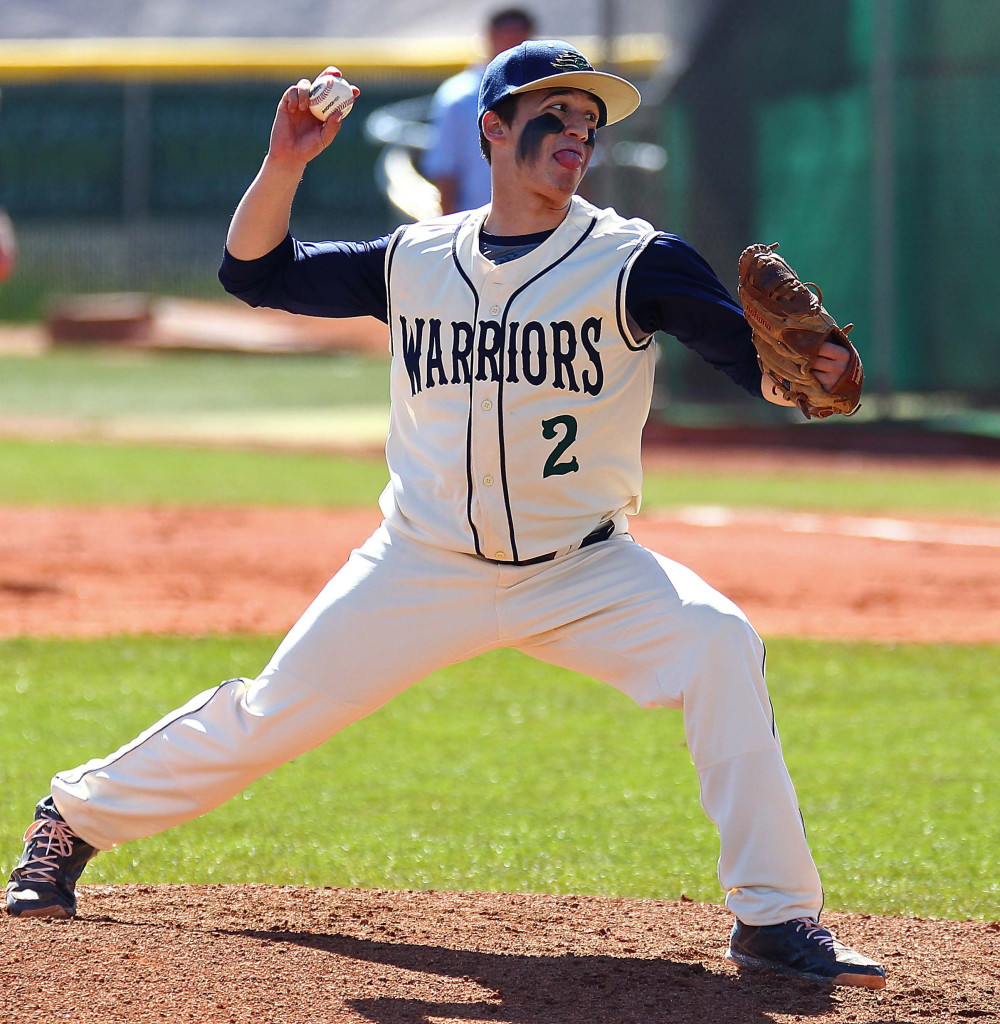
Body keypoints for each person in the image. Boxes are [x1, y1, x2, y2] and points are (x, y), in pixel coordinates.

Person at [6, 41, 886, 990]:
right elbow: (253, 273)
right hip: (419, 564)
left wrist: (816, 376)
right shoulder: (415, 258)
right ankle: (72, 818)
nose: (577, 132)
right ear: (493, 129)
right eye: (555, 112)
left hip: (582, 570)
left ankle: (775, 918)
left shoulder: (636, 259)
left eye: (590, 120)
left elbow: (752, 363)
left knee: (717, 640)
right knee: (270, 714)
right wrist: (285, 164)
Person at [422, 7, 536, 214]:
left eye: (519, 41)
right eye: (506, 37)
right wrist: (451, 233)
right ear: (490, 37)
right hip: (477, 224)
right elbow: (445, 172)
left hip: (542, 227)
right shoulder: (459, 96)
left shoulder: (547, 95)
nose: (511, 48)